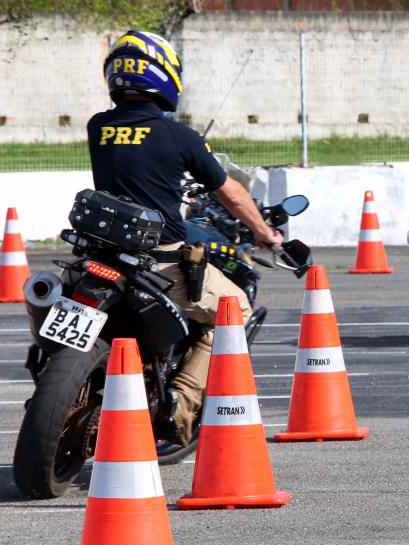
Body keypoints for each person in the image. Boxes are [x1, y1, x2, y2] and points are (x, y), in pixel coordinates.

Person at [86, 30, 283, 444]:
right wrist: (264, 233)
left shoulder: (98, 128)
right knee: (236, 308)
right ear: (163, 75)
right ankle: (183, 398)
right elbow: (228, 190)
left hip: (101, 254)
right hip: (158, 260)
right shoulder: (179, 136)